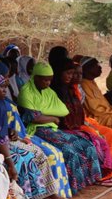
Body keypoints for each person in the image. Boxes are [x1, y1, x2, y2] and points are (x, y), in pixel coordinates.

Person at [0, 72, 69, 199]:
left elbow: (0, 132)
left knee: (37, 152)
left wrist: (10, 131)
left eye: (6, 87)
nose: (5, 90)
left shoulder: (0, 104)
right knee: (21, 158)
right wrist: (9, 161)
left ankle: (49, 193)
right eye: (1, 87)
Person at [16, 62, 105, 190]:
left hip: (51, 128)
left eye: (49, 80)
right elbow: (34, 118)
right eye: (45, 80)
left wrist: (43, 112)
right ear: (35, 77)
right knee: (69, 151)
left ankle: (88, 181)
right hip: (36, 129)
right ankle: (73, 186)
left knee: (86, 145)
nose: (48, 83)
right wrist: (52, 117)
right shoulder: (26, 92)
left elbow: (63, 110)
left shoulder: (49, 91)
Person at [53, 58, 112, 181]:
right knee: (97, 136)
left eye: (80, 74)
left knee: (110, 133)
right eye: (74, 73)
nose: (78, 76)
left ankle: (111, 171)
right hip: (74, 125)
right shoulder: (64, 90)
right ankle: (102, 174)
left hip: (82, 121)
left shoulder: (76, 89)